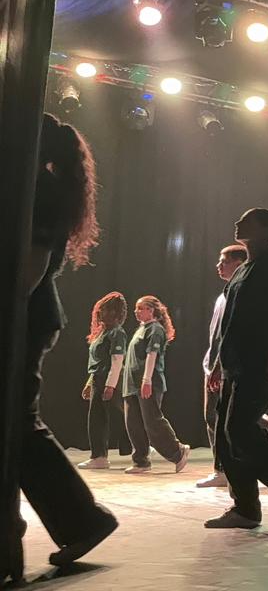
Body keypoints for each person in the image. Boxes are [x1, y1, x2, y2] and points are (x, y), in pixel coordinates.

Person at [5, 114, 117, 583]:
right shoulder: (36, 186)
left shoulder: (39, 191)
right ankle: (77, 521)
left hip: (25, 318)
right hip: (29, 316)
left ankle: (83, 519)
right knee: (15, 424)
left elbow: (30, 270)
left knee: (18, 423)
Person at [203, 208, 268, 529]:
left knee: (239, 429)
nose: (238, 223)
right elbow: (229, 322)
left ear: (266, 231)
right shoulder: (242, 271)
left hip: (258, 360)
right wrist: (218, 363)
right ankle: (246, 508)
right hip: (234, 362)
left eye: (248, 221)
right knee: (226, 435)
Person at [114, 295, 190, 475]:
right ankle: (141, 461)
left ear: (151, 310)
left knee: (152, 421)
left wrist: (146, 380)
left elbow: (152, 355)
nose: (136, 312)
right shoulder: (141, 329)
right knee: (133, 424)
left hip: (148, 383)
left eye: (141, 308)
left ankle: (177, 451)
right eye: (136, 308)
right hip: (132, 384)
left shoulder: (155, 329)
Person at [78, 292, 128, 470]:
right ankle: (99, 456)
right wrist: (89, 383)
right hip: (98, 379)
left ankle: (144, 447)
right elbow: (97, 362)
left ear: (115, 313)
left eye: (105, 310)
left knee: (124, 416)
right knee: (97, 419)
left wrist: (110, 385)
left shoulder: (117, 333)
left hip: (110, 380)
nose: (101, 313)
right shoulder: (102, 333)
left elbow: (117, 360)